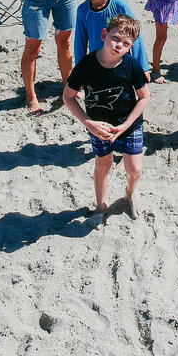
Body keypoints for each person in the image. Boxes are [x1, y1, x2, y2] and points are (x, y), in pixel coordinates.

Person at [63, 15, 150, 229]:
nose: (119, 45)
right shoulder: (86, 65)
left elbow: (144, 97)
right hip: (98, 127)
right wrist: (88, 123)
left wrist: (126, 125)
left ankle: (130, 191)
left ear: (130, 47)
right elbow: (68, 96)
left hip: (128, 125)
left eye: (126, 43)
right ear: (104, 35)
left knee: (134, 168)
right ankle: (101, 207)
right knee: (103, 166)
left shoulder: (131, 66)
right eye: (115, 38)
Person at [74, 0, 151, 78]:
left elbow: (136, 36)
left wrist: (143, 67)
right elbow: (80, 42)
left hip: (121, 61)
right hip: (97, 63)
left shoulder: (120, 5)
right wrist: (79, 71)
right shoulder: (83, 10)